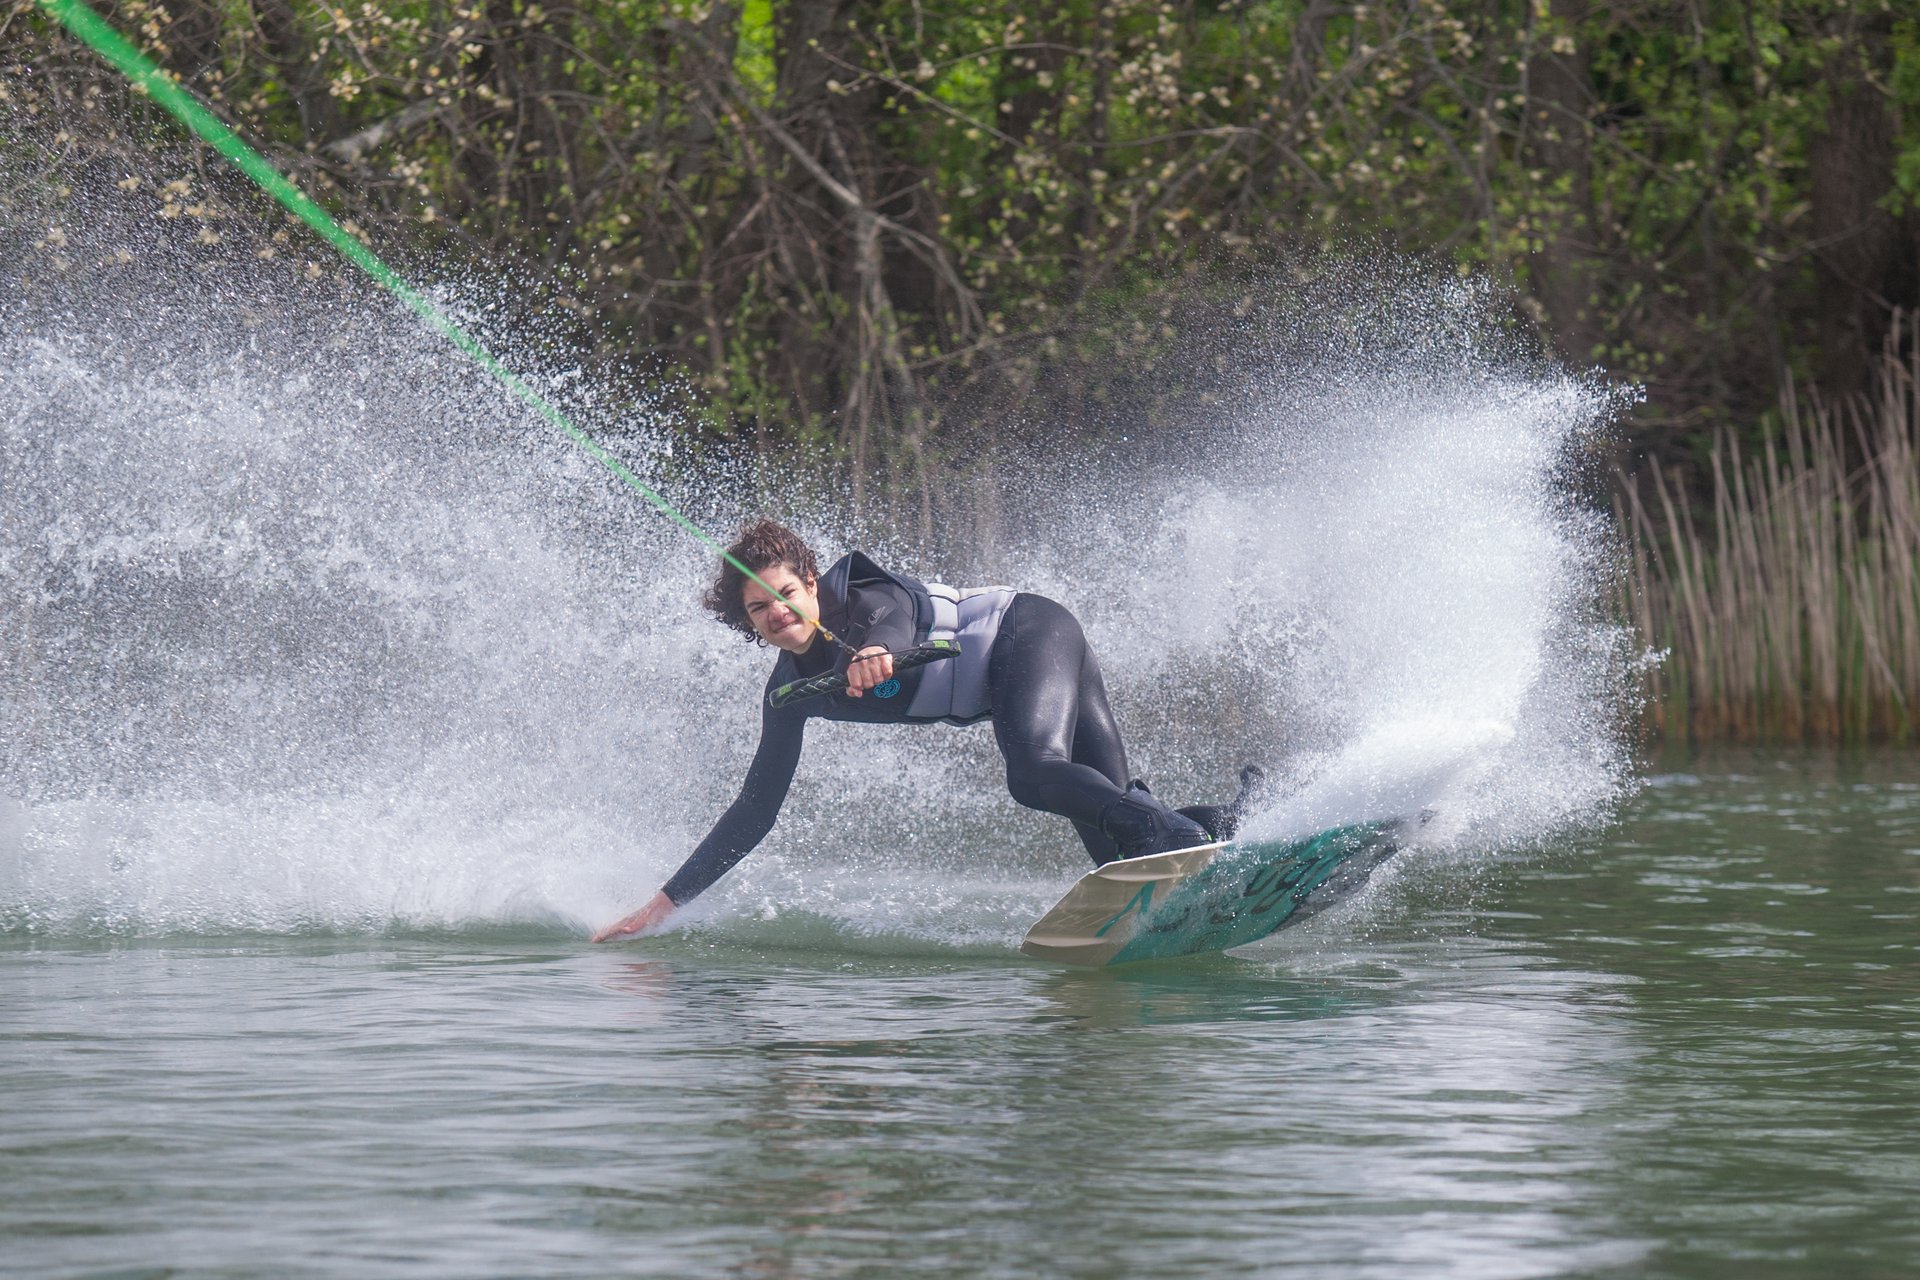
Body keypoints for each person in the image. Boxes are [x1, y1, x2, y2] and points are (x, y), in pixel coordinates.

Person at [591, 519, 1230, 942]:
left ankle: (1182, 833)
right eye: (759, 608)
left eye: (786, 593)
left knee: (1034, 774)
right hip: (1023, 664)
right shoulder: (789, 695)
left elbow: (891, 621)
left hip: (1028, 631)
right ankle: (1240, 824)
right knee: (1125, 851)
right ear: (748, 622)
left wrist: (877, 651)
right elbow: (755, 812)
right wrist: (665, 903)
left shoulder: (860, 596)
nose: (777, 612)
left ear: (811, 585)